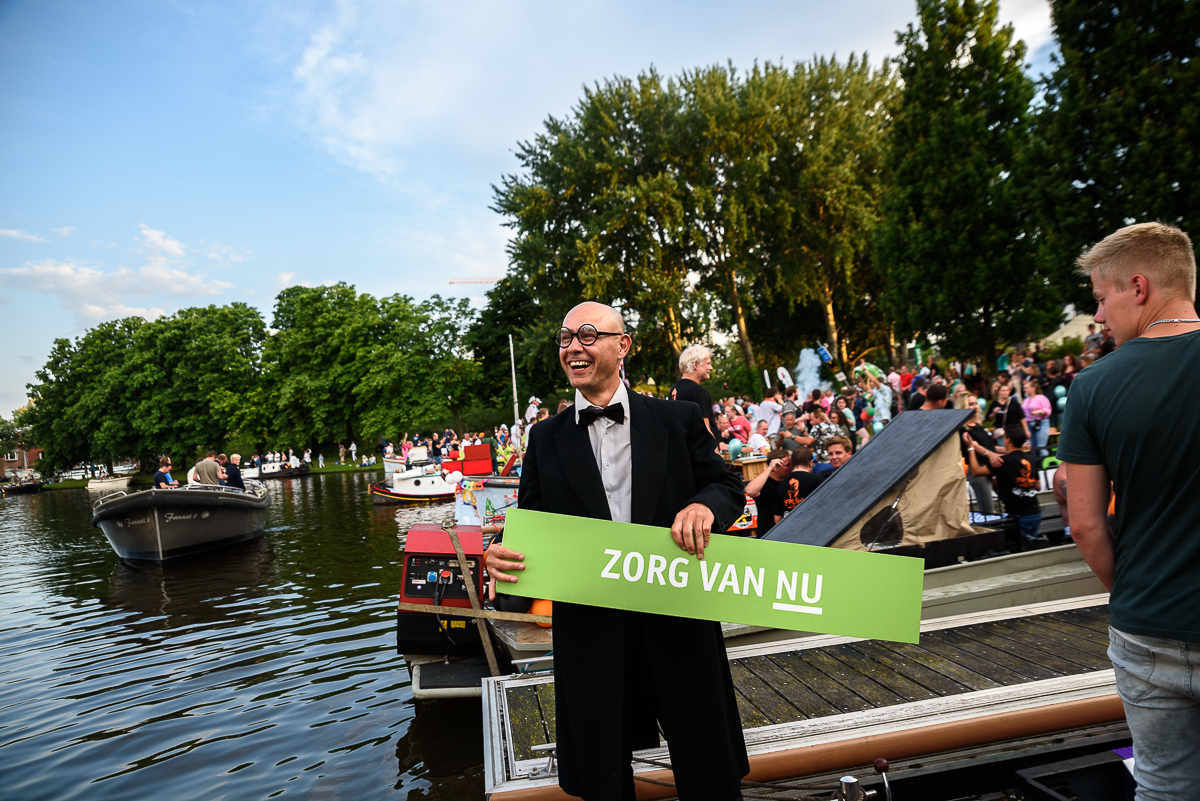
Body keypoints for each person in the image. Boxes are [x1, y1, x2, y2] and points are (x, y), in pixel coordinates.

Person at [486, 301, 749, 800]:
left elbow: (728, 487)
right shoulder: (543, 439)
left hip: (677, 618)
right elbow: (533, 527)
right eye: (565, 338)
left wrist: (703, 508)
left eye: (587, 334)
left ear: (622, 346)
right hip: (592, 632)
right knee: (603, 778)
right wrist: (499, 550)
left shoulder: (678, 418)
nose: (573, 347)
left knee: (709, 772)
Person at [1058, 222, 1200, 797]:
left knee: (1164, 786)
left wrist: (1134, 588)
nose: (1097, 317)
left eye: (1100, 297)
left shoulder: (1093, 388)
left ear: (1138, 286)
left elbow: (1086, 524)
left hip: (1147, 626)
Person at [964, 427, 1041, 543]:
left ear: (1007, 440)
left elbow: (976, 471)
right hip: (1035, 512)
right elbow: (1038, 486)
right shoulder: (1031, 459)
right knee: (1032, 542)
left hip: (1018, 515)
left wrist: (971, 448)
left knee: (1022, 546)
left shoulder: (1003, 462)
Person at [960, 397, 1004, 515]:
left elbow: (991, 448)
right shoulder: (962, 428)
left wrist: (1013, 449)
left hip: (993, 466)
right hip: (978, 468)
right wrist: (989, 454)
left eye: (976, 403)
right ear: (963, 407)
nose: (975, 406)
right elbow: (973, 445)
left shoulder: (979, 426)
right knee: (988, 510)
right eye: (971, 404)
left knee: (1005, 503)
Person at [669, 344, 717, 435]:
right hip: (696, 449)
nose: (711, 368)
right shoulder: (698, 392)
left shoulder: (674, 390)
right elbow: (705, 431)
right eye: (708, 363)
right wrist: (715, 449)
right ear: (695, 365)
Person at [743, 449, 790, 538]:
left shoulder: (790, 481)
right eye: (787, 465)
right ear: (777, 467)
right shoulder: (764, 484)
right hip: (767, 534)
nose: (791, 467)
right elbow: (750, 491)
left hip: (786, 533)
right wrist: (769, 469)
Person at [775, 447, 824, 523]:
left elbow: (777, 519)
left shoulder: (781, 485)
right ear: (810, 463)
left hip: (790, 530)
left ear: (792, 463)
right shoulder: (819, 481)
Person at [1022, 380, 1052, 460]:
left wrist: (1039, 411)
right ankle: (1035, 465)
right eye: (1024, 388)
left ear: (1033, 388)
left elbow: (1048, 411)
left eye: (1026, 388)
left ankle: (1045, 465)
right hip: (1029, 424)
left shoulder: (1041, 398)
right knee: (1031, 447)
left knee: (1041, 446)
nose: (1024, 390)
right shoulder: (1026, 400)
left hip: (1042, 422)